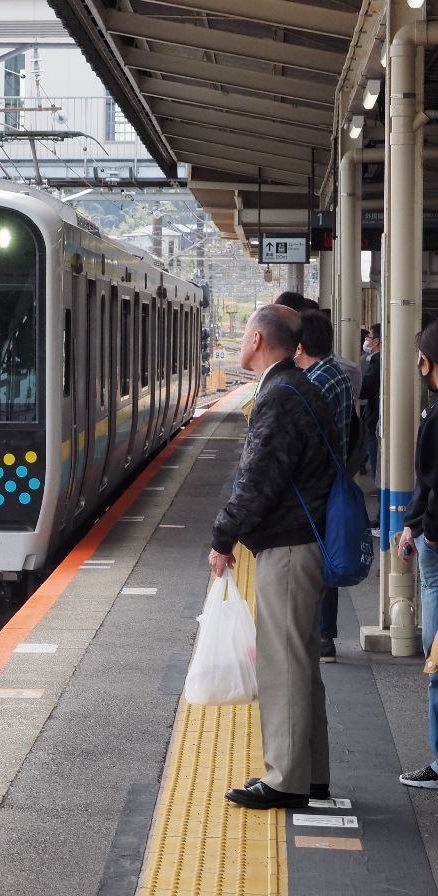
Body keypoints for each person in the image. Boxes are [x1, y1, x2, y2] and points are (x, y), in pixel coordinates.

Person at [210, 304, 337, 809]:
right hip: (303, 540)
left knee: (283, 664)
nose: (241, 341)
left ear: (259, 340)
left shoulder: (280, 396)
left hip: (287, 546)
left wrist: (223, 537)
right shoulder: (300, 388)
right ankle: (312, 773)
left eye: (244, 333)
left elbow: (258, 479)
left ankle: (286, 778)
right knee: (301, 662)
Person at [293, 309, 353, 664]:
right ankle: (325, 635)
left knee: (319, 562)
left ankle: (323, 636)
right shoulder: (336, 373)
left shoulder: (314, 383)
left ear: (300, 346)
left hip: (319, 486)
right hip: (335, 479)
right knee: (325, 560)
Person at [396, 320, 438, 789]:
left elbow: (430, 483)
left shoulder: (436, 414)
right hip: (428, 537)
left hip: (437, 553)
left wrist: (426, 535)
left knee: (436, 661)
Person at [361, 324, 382, 484]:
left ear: (376, 341)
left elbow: (365, 390)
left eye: (369, 337)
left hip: (375, 414)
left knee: (375, 448)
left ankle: (378, 483)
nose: (366, 340)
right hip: (377, 413)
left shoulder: (376, 364)